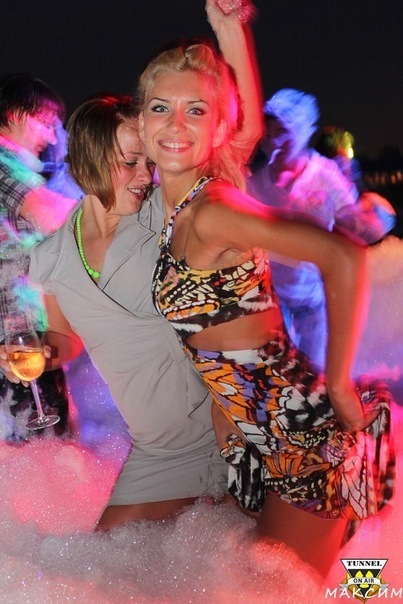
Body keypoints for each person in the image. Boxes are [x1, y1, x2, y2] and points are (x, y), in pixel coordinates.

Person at [137, 36, 395, 577]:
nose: (175, 124)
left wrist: (341, 386)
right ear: (141, 123)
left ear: (216, 129)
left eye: (196, 110)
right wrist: (222, 408)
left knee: (294, 590)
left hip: (302, 433)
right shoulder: (180, 205)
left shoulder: (213, 208)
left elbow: (345, 257)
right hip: (256, 431)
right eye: (161, 107)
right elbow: (218, 332)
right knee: (303, 581)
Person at [0, 1, 263, 528]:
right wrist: (46, 352)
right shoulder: (51, 253)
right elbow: (66, 336)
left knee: (246, 560)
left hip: (225, 426)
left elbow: (240, 136)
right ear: (89, 160)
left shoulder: (166, 216)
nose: (146, 174)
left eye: (148, 160)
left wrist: (230, 29)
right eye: (130, 162)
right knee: (100, 560)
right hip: (158, 451)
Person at [246, 89, 396, 367]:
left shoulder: (325, 174)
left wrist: (376, 218)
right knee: (278, 375)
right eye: (269, 135)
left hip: (312, 302)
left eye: (283, 133)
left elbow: (355, 222)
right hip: (270, 304)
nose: (275, 142)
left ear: (302, 133)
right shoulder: (253, 185)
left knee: (312, 373)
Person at [0, 73, 79, 440]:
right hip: (14, 343)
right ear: (17, 115)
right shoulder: (3, 164)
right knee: (42, 449)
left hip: (22, 340)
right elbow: (56, 217)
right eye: (46, 123)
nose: (52, 136)